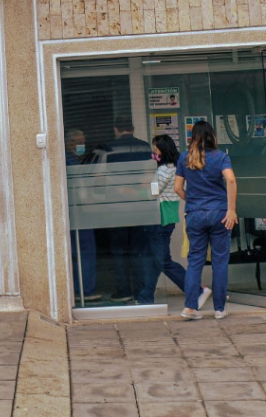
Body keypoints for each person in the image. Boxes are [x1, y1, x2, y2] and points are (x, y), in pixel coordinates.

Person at [136, 134, 208, 308]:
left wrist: (134, 191)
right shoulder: (172, 167)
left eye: (156, 149)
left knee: (163, 261)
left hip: (159, 219)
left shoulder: (164, 170)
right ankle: (145, 297)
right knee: (153, 260)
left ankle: (196, 291)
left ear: (163, 150)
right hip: (164, 218)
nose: (154, 153)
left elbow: (152, 193)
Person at [175, 120, 238, 320]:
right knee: (220, 261)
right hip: (220, 213)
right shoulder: (220, 157)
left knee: (195, 261)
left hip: (195, 214)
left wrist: (192, 201)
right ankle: (219, 309)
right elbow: (230, 179)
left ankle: (190, 308)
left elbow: (177, 188)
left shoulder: (185, 157)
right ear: (212, 136)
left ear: (193, 137)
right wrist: (231, 210)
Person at [104, 115, 153, 302]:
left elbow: (101, 177)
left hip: (117, 208)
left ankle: (123, 291)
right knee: (139, 251)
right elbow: (151, 173)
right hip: (140, 207)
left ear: (116, 129)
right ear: (133, 128)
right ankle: (141, 292)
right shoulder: (145, 147)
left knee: (119, 251)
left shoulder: (108, 148)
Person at [65, 128, 100, 302]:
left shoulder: (75, 159)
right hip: (78, 211)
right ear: (69, 143)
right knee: (85, 250)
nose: (82, 145)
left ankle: (80, 289)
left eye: (83, 142)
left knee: (78, 251)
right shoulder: (70, 161)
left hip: (76, 210)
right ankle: (85, 290)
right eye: (79, 142)